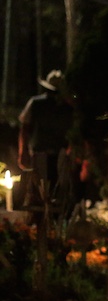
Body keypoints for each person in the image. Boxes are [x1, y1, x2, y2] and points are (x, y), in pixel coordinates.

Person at [17, 69, 76, 209]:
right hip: (40, 153)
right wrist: (23, 151)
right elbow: (24, 129)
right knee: (39, 193)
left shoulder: (66, 107)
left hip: (59, 154)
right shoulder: (37, 103)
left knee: (55, 194)